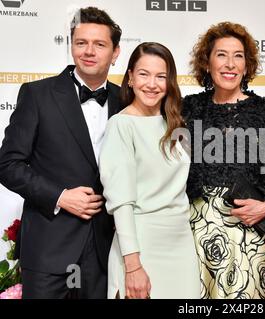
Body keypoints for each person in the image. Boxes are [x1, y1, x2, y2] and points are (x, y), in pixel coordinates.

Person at [0, 7, 122, 298]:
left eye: (100, 44)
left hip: (106, 249)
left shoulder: (127, 99)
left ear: (115, 52)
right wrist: (60, 196)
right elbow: (7, 164)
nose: (89, 51)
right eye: (81, 43)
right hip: (48, 249)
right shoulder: (37, 94)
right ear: (71, 46)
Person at [183, 22, 265, 299]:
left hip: (246, 232)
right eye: (221, 54)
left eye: (238, 56)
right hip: (189, 232)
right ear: (207, 62)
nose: (230, 64)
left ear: (247, 66)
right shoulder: (186, 109)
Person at [99, 42, 200, 299]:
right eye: (143, 74)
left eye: (161, 76)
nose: (152, 84)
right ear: (130, 77)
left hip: (181, 245)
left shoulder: (178, 125)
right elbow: (121, 202)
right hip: (141, 246)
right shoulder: (121, 125)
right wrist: (133, 267)